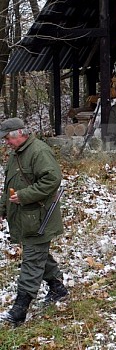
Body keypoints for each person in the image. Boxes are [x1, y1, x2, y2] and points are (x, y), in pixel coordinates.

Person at [0, 118, 68, 325]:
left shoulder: (38, 151)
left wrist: (25, 195)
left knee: (31, 261)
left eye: (7, 138)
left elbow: (52, 179)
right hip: (25, 218)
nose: (6, 143)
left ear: (19, 134)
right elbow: (9, 186)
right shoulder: (17, 154)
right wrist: (2, 209)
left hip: (39, 218)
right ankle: (58, 289)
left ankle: (19, 310)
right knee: (38, 254)